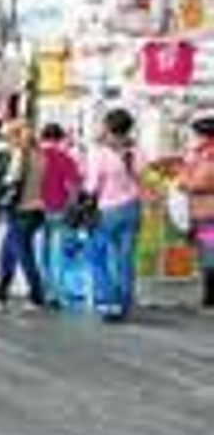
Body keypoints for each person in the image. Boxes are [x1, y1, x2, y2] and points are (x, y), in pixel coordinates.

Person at [85, 107, 142, 322]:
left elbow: (92, 186)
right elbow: (142, 176)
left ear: (107, 127)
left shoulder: (100, 152)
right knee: (125, 259)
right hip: (133, 208)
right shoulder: (136, 150)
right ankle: (125, 303)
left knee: (95, 255)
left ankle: (109, 302)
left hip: (108, 210)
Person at [0, 121, 47, 308]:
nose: (7, 140)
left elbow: (10, 181)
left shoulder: (18, 156)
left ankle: (36, 294)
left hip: (20, 209)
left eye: (8, 136)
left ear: (15, 137)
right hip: (37, 210)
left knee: (23, 253)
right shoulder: (41, 155)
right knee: (8, 251)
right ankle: (0, 294)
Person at [36, 123, 83, 307]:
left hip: (37, 209)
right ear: (60, 138)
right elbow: (74, 186)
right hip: (60, 209)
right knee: (60, 253)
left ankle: (44, 290)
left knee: (43, 251)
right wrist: (73, 205)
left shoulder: (35, 157)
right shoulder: (66, 158)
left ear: (43, 137)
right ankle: (58, 292)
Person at [179, 112, 214, 308]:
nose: (194, 139)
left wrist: (185, 181)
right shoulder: (200, 155)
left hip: (209, 214)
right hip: (200, 212)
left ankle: (210, 296)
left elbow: (197, 183)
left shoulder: (209, 157)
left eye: (197, 135)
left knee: (210, 253)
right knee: (206, 251)